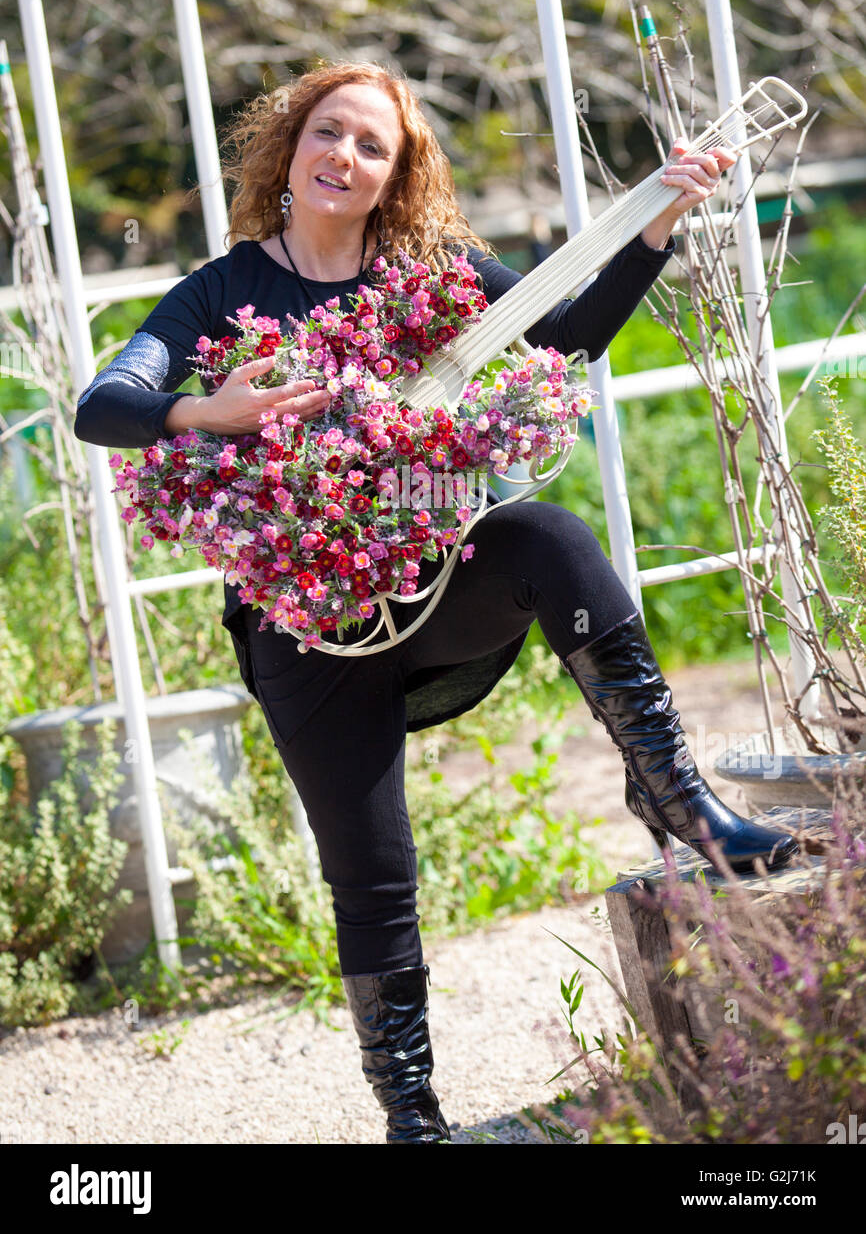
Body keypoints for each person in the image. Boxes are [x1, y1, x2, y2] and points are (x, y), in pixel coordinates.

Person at [74, 58, 799, 1145]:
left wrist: (656, 222)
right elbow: (104, 405)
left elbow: (560, 343)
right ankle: (413, 1119)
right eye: (329, 132)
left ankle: (677, 800)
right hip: (305, 629)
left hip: (436, 588)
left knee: (543, 535)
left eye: (374, 146)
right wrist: (202, 412)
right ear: (290, 147)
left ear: (394, 177)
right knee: (372, 876)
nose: (345, 157)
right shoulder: (219, 295)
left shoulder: (429, 276)